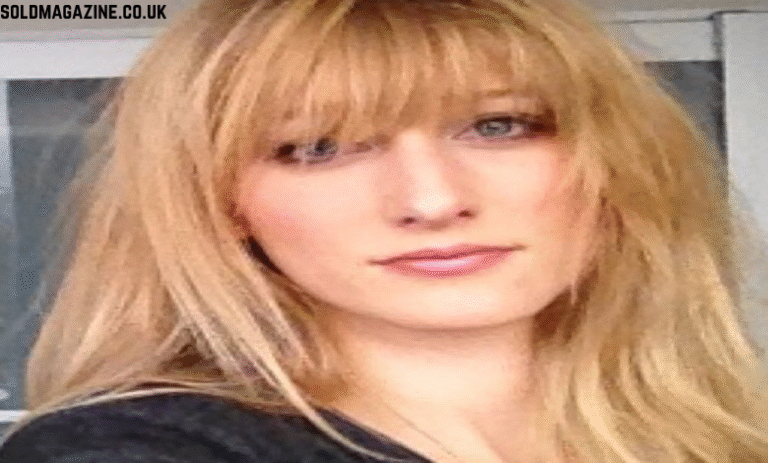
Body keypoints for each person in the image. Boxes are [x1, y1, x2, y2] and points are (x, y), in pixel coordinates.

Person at [1, 0, 767, 461]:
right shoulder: (132, 449)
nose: (431, 201)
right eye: (318, 147)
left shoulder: (727, 428)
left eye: (498, 126)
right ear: (221, 200)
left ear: (614, 160)